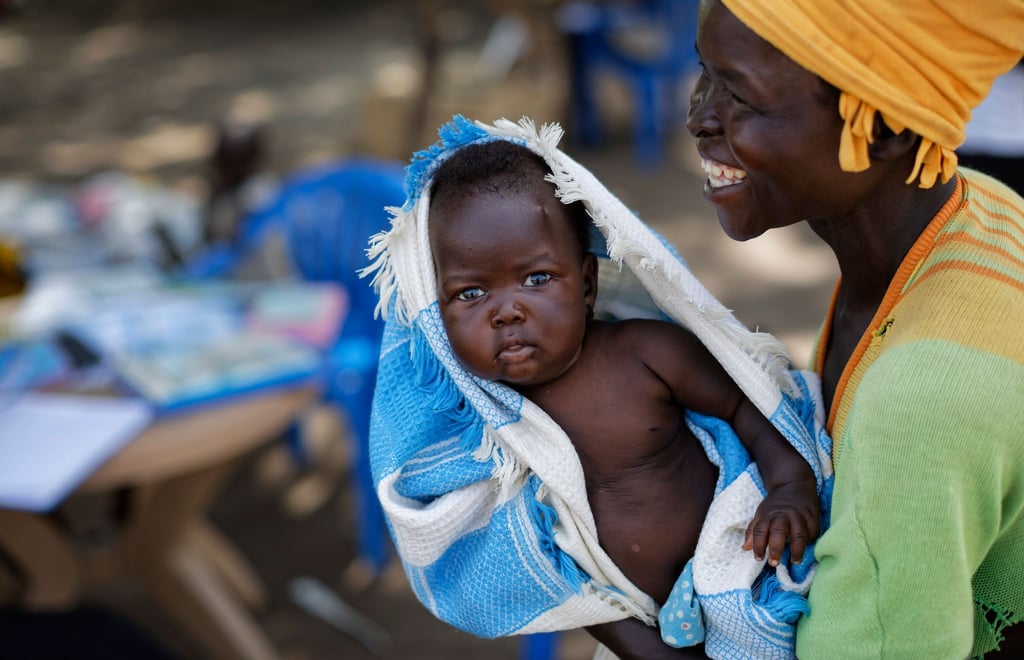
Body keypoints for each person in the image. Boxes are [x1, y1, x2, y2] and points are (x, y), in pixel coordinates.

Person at [685, 1, 1024, 657]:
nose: (699, 117)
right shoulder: (978, 210)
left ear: (888, 130)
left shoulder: (918, 399)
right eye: (705, 73)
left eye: (741, 97)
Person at [426, 138, 819, 654]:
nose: (507, 312)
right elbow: (554, 573)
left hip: (740, 574)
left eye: (537, 278)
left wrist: (789, 483)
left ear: (587, 284)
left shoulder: (644, 355)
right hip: (642, 633)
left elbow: (747, 403)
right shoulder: (484, 433)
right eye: (471, 294)